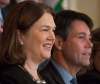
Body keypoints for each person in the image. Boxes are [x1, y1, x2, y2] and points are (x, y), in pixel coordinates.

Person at [0, 1, 55, 84]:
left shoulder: (48, 79)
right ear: (20, 36)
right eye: (45, 29)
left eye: (53, 30)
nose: (52, 37)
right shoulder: (7, 79)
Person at [39, 10, 93, 84]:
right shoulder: (41, 79)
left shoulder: (81, 80)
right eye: (81, 37)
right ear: (59, 43)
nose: (90, 44)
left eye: (89, 38)